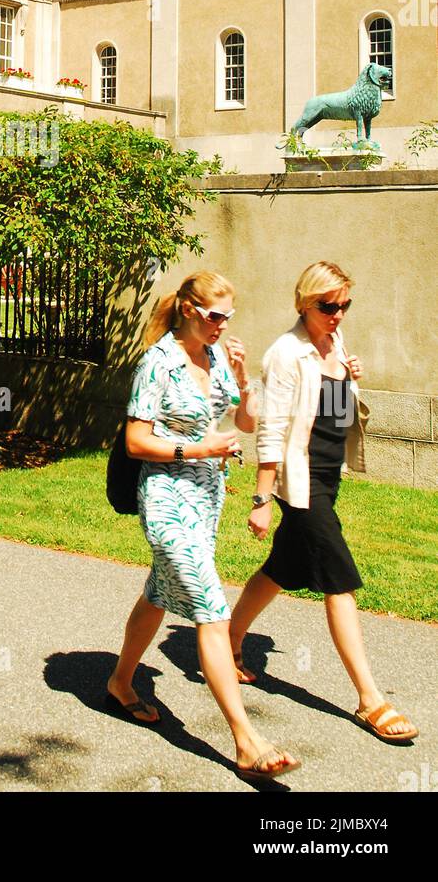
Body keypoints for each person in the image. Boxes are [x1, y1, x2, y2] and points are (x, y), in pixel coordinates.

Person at [106, 270, 302, 781]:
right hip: (166, 496)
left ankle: (121, 681)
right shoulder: (158, 363)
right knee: (210, 608)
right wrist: (199, 448)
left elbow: (244, 422)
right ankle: (247, 740)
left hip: (206, 496)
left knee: (160, 590)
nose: (222, 325)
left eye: (228, 318)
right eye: (215, 316)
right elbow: (135, 442)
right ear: (190, 310)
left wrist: (239, 380)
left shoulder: (216, 357)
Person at [229, 261, 418, 742]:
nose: (338, 314)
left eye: (344, 305)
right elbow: (270, 428)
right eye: (328, 306)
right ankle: (370, 699)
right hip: (300, 479)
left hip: (329, 475)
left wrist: (348, 378)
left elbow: (333, 413)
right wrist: (261, 497)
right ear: (304, 303)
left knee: (282, 568)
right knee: (339, 578)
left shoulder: (334, 343)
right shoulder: (285, 353)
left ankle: (229, 638)